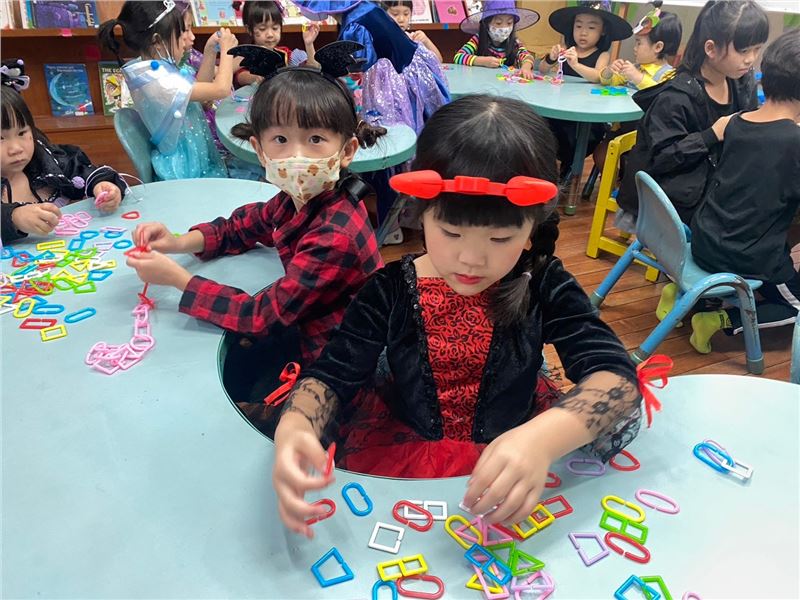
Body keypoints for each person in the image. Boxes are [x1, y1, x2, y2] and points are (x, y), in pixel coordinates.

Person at [271, 95, 643, 538]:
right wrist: (296, 428)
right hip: (405, 454)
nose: (471, 259)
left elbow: (616, 376)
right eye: (450, 232)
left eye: (500, 238)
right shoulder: (389, 290)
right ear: (421, 214)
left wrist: (543, 439)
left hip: (519, 457)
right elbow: (333, 375)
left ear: (531, 230)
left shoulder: (543, 281)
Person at [125, 44, 385, 391]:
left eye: (315, 139)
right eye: (280, 139)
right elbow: (245, 225)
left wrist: (178, 280)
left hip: (337, 366)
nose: (296, 156)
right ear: (260, 150)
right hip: (304, 329)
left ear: (347, 150)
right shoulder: (297, 200)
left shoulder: (334, 235)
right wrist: (177, 242)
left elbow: (260, 316)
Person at [683, 29, 800, 354]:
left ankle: (679, 296)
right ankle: (720, 320)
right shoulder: (794, 142)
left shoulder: (735, 122)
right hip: (744, 257)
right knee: (797, 306)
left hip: (704, 240)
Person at [616, 0, 769, 227]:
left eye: (757, 49)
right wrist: (711, 135)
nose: (751, 59)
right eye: (744, 50)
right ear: (711, 49)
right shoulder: (676, 97)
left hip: (711, 190)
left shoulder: (741, 82)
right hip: (671, 202)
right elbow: (662, 158)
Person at [98, 0, 238, 180]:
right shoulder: (157, 81)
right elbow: (221, 89)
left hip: (195, 154)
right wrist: (227, 51)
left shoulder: (158, 68)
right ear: (157, 41)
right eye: (180, 34)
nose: (186, 41)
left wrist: (210, 50)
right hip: (185, 168)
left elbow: (200, 97)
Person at [1, 79, 126, 244]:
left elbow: (82, 171)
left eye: (22, 133)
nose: (16, 148)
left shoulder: (46, 161)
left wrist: (101, 185)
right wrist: (14, 217)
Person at [541, 1, 633, 179]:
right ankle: (549, 169)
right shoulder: (568, 50)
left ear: (603, 31)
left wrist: (575, 64)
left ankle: (569, 172)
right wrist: (551, 58)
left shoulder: (602, 55)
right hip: (560, 112)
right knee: (543, 129)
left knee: (573, 143)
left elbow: (598, 76)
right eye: (578, 26)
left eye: (591, 27)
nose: (583, 32)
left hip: (585, 120)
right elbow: (544, 70)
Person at [233, 1, 320, 87]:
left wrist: (309, 44)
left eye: (275, 28)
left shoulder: (285, 54)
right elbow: (240, 77)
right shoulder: (246, 55)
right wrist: (254, 77)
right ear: (249, 29)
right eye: (262, 29)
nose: (270, 34)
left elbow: (313, 70)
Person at [600, 1, 682, 90]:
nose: (635, 48)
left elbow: (662, 93)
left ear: (658, 47)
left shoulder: (669, 74)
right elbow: (609, 83)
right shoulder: (637, 67)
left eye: (639, 43)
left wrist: (637, 77)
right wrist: (609, 71)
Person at [453, 0, 539, 78]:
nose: (504, 28)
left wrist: (526, 67)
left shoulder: (514, 42)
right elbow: (458, 56)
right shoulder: (478, 40)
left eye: (509, 23)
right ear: (486, 24)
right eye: (498, 23)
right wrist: (482, 61)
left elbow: (527, 56)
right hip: (481, 83)